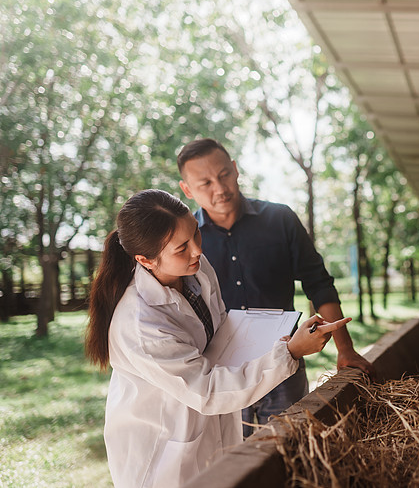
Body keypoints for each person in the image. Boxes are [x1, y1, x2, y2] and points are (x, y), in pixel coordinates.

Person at [85, 189, 350, 487]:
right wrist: (288, 353)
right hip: (162, 448)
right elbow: (207, 390)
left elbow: (220, 331)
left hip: (210, 428)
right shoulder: (139, 323)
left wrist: (276, 339)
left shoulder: (196, 268)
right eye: (181, 247)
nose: (197, 250)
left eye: (196, 234)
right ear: (146, 260)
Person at [177, 139, 375, 437]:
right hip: (222, 379)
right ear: (187, 190)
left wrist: (345, 348)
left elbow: (319, 283)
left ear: (235, 169)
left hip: (285, 365)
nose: (219, 189)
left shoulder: (280, 219)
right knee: (233, 466)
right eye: (205, 183)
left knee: (293, 453)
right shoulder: (185, 242)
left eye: (223, 175)